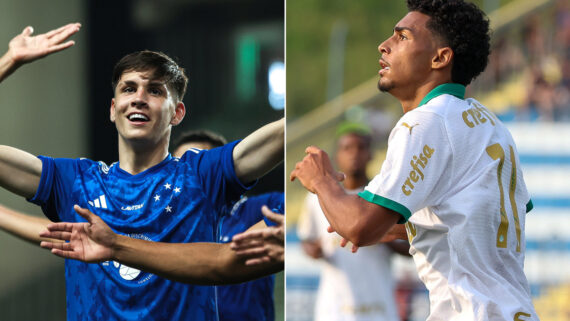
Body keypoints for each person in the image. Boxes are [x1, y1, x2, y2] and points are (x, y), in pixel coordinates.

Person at [0, 22, 283, 321]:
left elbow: (282, 135)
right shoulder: (75, 181)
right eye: (129, 88)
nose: (139, 97)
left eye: (155, 91)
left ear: (177, 113)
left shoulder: (201, 174)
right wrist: (9, 61)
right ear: (113, 108)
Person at [290, 1, 538, 320]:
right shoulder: (490, 123)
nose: (384, 45)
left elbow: (358, 227)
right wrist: (401, 230)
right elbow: (477, 221)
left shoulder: (424, 122)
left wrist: (321, 180)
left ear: (440, 57)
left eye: (402, 36)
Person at [297, 122, 407, 321]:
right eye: (347, 148)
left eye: (361, 147)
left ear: (371, 154)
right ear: (337, 156)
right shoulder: (318, 198)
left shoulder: (385, 196)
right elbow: (307, 240)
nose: (354, 153)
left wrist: (380, 233)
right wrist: (314, 250)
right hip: (333, 311)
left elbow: (413, 248)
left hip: (380, 310)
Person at [172, 129, 283, 321]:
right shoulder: (165, 224)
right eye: (178, 167)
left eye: (200, 165)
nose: (185, 176)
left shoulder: (262, 208)